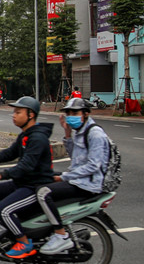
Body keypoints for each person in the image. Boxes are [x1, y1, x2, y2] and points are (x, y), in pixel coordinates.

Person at [0, 96, 55, 259]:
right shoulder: (26, 135)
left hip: (35, 186)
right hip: (24, 183)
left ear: (31, 115)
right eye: (14, 112)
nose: (14, 115)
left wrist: (2, 174)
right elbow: (10, 153)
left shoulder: (37, 138)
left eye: (18, 112)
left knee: (3, 210)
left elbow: (26, 166)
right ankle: (11, 230)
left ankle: (24, 243)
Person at [34, 98, 111, 254]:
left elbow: (93, 165)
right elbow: (74, 157)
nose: (70, 116)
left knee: (43, 193)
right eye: (68, 113)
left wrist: (65, 177)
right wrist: (67, 133)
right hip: (78, 179)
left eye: (75, 113)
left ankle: (60, 235)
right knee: (40, 179)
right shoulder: (80, 131)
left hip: (87, 184)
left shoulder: (95, 134)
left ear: (86, 114)